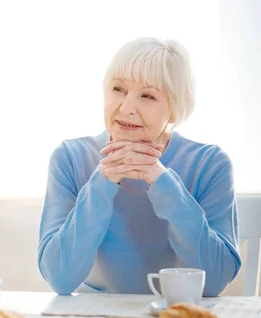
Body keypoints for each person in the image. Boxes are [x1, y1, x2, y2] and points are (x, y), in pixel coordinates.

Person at [38, 37, 240, 296]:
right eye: (118, 89)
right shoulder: (70, 158)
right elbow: (60, 279)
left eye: (147, 95)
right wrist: (102, 181)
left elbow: (213, 282)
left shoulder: (209, 165)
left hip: (175, 315)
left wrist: (164, 184)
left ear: (175, 110)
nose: (125, 107)